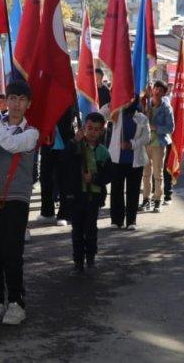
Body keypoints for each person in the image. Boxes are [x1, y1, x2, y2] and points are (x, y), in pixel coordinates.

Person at [0, 80, 40, 326]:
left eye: (22, 100)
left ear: (28, 105)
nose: (16, 104)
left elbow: (13, 145)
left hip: (16, 199)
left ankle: (16, 302)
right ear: (6, 101)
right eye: (12, 98)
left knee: (11, 252)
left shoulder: (30, 133)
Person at [64, 112, 111, 273]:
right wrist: (74, 142)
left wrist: (95, 178)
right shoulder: (77, 146)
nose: (92, 132)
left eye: (96, 129)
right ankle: (78, 262)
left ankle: (90, 257)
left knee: (90, 230)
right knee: (77, 231)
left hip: (94, 197)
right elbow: (65, 161)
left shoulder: (103, 152)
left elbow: (109, 175)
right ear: (84, 128)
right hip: (77, 196)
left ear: (102, 132)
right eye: (89, 128)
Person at [108, 98, 150, 230]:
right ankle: (116, 220)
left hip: (135, 161)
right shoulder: (116, 113)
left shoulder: (142, 118)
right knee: (116, 191)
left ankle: (131, 221)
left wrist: (132, 144)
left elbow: (147, 137)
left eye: (130, 100)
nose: (127, 102)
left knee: (133, 191)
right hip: (117, 160)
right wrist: (111, 102)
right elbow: (101, 114)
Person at [40, 106, 77, 225]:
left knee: (64, 180)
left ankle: (64, 214)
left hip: (65, 145)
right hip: (47, 144)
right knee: (45, 178)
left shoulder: (68, 97)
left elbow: (69, 118)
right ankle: (47, 212)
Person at [143, 82, 174, 212]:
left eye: (160, 90)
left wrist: (156, 128)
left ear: (164, 93)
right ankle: (146, 199)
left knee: (157, 173)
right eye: (155, 88)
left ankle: (157, 199)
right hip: (145, 143)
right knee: (145, 174)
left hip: (159, 144)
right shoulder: (146, 105)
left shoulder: (166, 108)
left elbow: (171, 128)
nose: (156, 91)